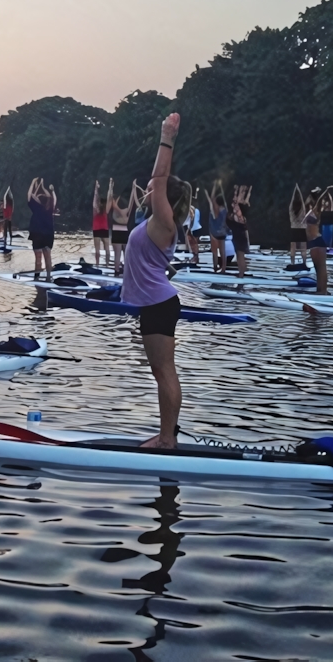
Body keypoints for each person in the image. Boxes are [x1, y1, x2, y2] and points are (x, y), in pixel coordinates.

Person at [122, 113, 190, 450]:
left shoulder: (165, 221)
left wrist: (167, 137)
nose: (147, 192)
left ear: (165, 199)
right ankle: (166, 434)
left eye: (151, 190)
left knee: (164, 371)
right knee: (160, 371)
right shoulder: (154, 223)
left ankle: (166, 438)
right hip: (154, 304)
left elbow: (159, 178)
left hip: (160, 305)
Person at [27, 177, 56, 279]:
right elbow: (51, 197)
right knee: (48, 257)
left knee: (38, 259)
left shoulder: (36, 207)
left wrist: (33, 183)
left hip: (37, 234)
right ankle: (48, 277)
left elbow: (30, 195)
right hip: (48, 235)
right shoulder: (51, 207)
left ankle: (37, 277)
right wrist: (43, 187)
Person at [303, 187, 329, 294]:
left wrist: (325, 191)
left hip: (318, 241)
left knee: (321, 268)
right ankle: (319, 289)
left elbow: (318, 203)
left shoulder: (316, 211)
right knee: (317, 269)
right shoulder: (309, 211)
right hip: (312, 243)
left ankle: (323, 290)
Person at [108, 179, 132, 275]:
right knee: (125, 253)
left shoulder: (116, 209)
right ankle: (123, 270)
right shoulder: (125, 209)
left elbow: (112, 202)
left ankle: (117, 270)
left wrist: (111, 188)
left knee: (117, 254)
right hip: (123, 229)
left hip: (118, 229)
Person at [204, 184, 229, 275]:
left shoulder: (215, 211)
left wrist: (211, 189)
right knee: (223, 251)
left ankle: (215, 267)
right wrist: (220, 186)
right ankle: (223, 268)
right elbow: (215, 199)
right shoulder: (225, 210)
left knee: (214, 251)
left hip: (214, 233)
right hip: (222, 232)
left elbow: (211, 200)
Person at [229, 184, 252, 277]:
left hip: (240, 235)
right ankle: (241, 272)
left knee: (240, 255)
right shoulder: (240, 209)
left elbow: (236, 203)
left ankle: (241, 274)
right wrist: (238, 190)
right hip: (239, 235)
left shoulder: (240, 213)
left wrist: (238, 190)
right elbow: (236, 201)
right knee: (239, 256)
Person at [288, 186, 309, 268]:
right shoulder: (302, 210)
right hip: (301, 229)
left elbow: (292, 201)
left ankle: (292, 263)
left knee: (293, 248)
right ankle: (304, 263)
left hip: (294, 229)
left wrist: (295, 190)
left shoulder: (291, 211)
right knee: (303, 247)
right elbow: (302, 202)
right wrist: (298, 190)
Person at [91, 180, 110, 267]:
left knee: (97, 249)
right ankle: (106, 264)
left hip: (97, 229)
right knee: (107, 248)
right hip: (104, 229)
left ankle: (97, 264)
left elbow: (95, 198)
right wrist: (110, 187)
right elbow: (109, 197)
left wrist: (96, 188)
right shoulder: (106, 209)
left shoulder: (96, 209)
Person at [185, 193, 203, 269]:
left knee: (193, 244)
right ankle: (196, 258)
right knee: (196, 244)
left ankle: (195, 257)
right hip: (198, 227)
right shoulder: (197, 209)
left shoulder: (191, 209)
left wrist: (189, 229)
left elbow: (192, 219)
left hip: (194, 228)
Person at [319, 187, 333, 252]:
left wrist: (327, 191)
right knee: (324, 239)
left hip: (329, 225)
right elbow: (320, 200)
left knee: (329, 239)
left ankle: (329, 250)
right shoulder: (322, 208)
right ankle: (324, 250)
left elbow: (330, 200)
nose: (324, 202)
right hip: (324, 225)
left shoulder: (330, 207)